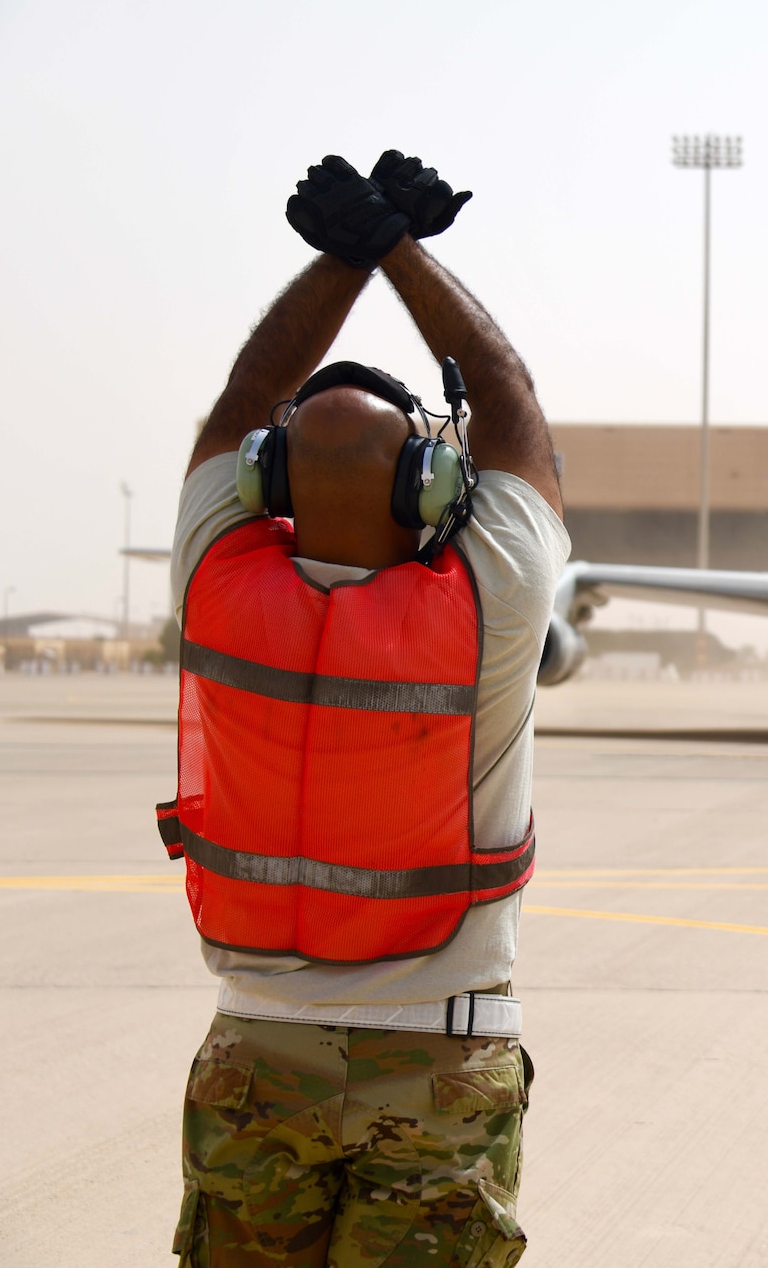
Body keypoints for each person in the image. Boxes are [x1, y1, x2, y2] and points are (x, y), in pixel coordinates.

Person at [160, 152, 567, 1266]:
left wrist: (337, 258)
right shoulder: (488, 605)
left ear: (270, 483)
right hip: (441, 1055)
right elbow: (513, 404)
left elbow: (240, 404)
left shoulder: (215, 586)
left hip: (258, 1053)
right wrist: (396, 249)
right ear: (427, 488)